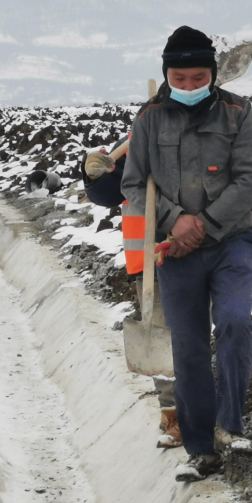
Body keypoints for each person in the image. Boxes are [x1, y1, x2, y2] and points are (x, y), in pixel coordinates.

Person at [121, 26, 252, 482]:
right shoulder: (148, 118)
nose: (188, 86)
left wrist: (200, 225)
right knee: (187, 348)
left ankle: (230, 425)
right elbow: (132, 184)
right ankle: (201, 448)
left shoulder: (238, 113)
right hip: (173, 252)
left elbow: (249, 180)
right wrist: (173, 220)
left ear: (213, 75)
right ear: (167, 75)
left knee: (236, 323)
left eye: (198, 77)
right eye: (179, 78)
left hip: (230, 243)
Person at [81, 95, 182, 450]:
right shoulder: (133, 142)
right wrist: (93, 175)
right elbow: (109, 191)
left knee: (191, 336)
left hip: (192, 248)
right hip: (148, 258)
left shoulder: (195, 140)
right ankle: (173, 415)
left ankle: (200, 409)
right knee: (157, 335)